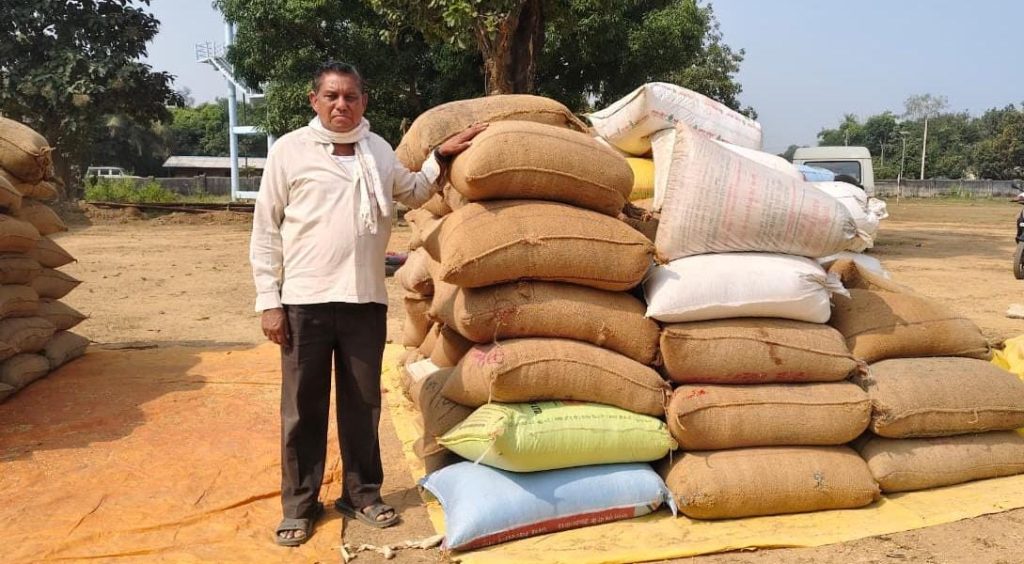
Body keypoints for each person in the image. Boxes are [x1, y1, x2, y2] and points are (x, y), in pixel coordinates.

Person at [249, 61, 485, 547]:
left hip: (364, 300)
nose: (342, 105)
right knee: (303, 407)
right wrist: (269, 301)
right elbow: (266, 230)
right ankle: (299, 504)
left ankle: (361, 494)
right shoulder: (290, 150)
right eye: (332, 96)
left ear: (364, 101)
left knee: (362, 403)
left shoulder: (376, 149)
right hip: (304, 302)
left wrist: (439, 157)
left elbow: (413, 190)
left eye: (351, 96)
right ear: (314, 100)